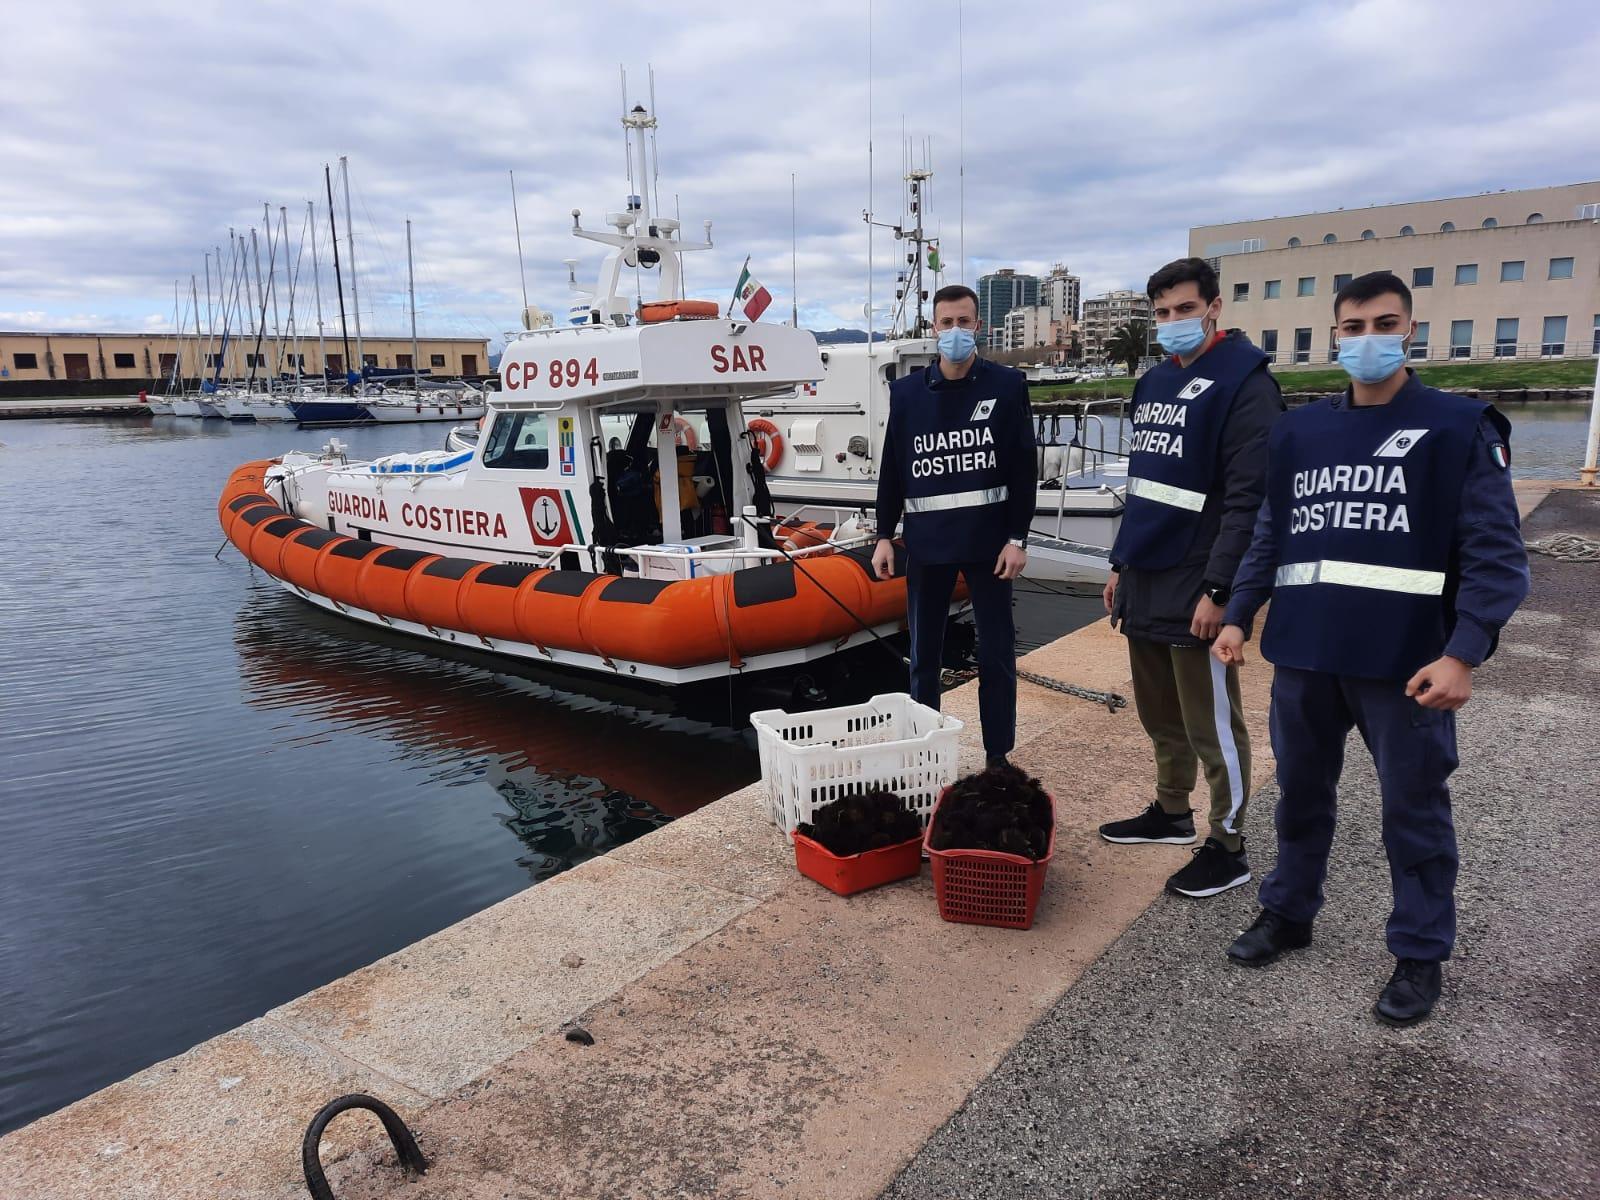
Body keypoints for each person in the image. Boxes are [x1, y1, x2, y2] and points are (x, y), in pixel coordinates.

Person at [1215, 271, 1529, 1027]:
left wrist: (1465, 651)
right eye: (1352, 327)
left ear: (1410, 330)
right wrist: (1239, 611)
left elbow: (1495, 553)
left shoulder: (1458, 427)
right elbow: (1271, 534)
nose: (1366, 340)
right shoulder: (1299, 431)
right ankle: (1288, 913)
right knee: (1301, 797)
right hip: (1307, 655)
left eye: (1382, 324)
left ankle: (1419, 952)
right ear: (1334, 334)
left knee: (1414, 813)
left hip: (1406, 664)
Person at [1097, 257, 1284, 899]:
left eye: (1184, 308)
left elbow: (1249, 499)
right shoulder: (1153, 383)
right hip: (1146, 574)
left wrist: (1221, 591)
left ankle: (1229, 844)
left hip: (1198, 580)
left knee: (1212, 722)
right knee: (1158, 713)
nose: (1173, 321)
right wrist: (1120, 565)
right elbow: (1144, 488)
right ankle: (1171, 811)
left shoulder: (1246, 385)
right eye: (1162, 312)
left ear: (1214, 306)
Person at [872, 284, 1035, 768]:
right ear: (934, 327)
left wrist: (1018, 537)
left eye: (964, 322)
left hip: (989, 545)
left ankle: (997, 755)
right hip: (927, 545)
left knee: (997, 656)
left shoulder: (1007, 386)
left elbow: (1022, 469)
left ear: (978, 326)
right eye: (947, 323)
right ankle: (924, 752)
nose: (956, 332)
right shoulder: (905, 394)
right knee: (923, 656)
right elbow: (892, 469)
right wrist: (884, 533)